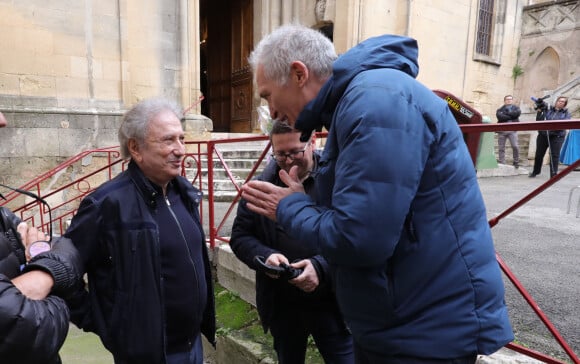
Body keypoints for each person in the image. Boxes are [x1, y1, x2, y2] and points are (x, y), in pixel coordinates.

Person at [241, 24, 513, 363]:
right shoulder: (362, 100)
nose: (271, 112)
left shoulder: (375, 102)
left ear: (298, 74)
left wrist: (292, 207)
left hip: (422, 332)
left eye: (267, 95)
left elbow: (361, 239)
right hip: (405, 320)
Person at [64, 98, 216, 364]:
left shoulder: (184, 193)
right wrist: (108, 325)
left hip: (193, 347)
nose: (180, 150)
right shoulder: (107, 203)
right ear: (136, 148)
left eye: (182, 139)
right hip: (146, 355)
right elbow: (65, 273)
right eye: (168, 140)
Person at [230, 120, 354, 364]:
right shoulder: (262, 185)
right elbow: (240, 236)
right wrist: (266, 256)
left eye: (295, 152)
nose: (287, 161)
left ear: (313, 142)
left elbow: (353, 238)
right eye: (280, 154)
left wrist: (320, 267)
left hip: (332, 300)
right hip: (282, 302)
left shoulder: (338, 180)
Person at [1, 111, 84, 364]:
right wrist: (49, 274)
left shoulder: (3, 216)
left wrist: (40, 265)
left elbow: (66, 249)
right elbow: (26, 328)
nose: (3, 120)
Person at [529, 96, 572, 178]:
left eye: (563, 101)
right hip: (544, 135)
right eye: (559, 100)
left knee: (554, 155)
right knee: (539, 154)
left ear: (565, 104)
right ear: (556, 101)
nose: (560, 102)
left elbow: (564, 125)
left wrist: (552, 129)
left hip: (557, 136)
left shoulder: (566, 113)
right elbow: (539, 118)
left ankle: (553, 174)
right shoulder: (548, 109)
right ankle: (535, 171)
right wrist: (539, 107)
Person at [495, 95, 521, 168]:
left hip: (512, 130)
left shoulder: (516, 108)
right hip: (502, 130)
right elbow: (500, 117)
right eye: (507, 99)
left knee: (515, 146)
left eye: (510, 99)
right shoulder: (500, 109)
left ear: (512, 100)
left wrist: (506, 114)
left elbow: (517, 114)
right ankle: (502, 162)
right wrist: (512, 115)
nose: (509, 100)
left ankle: (516, 162)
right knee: (501, 147)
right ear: (504, 101)